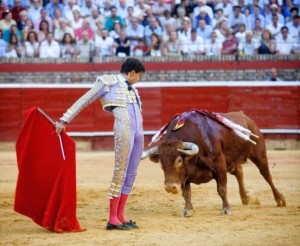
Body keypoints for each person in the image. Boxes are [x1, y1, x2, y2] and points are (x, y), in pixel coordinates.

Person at [55, 57, 146, 230]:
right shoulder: (108, 82)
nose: (138, 79)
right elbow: (84, 100)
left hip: (138, 132)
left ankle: (121, 215)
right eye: (138, 76)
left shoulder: (133, 89)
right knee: (121, 171)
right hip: (124, 130)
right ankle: (112, 219)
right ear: (132, 72)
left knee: (131, 173)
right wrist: (64, 120)